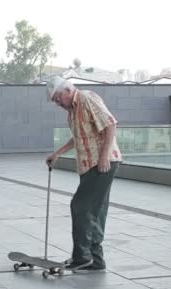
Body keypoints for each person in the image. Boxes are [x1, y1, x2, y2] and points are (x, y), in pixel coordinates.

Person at [45, 76, 122, 271]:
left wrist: (104, 157)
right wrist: (58, 153)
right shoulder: (72, 111)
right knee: (95, 211)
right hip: (89, 165)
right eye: (54, 101)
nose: (57, 103)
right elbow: (78, 137)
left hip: (102, 163)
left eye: (57, 98)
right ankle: (96, 260)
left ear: (67, 90)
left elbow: (110, 124)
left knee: (80, 206)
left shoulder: (87, 99)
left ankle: (82, 257)